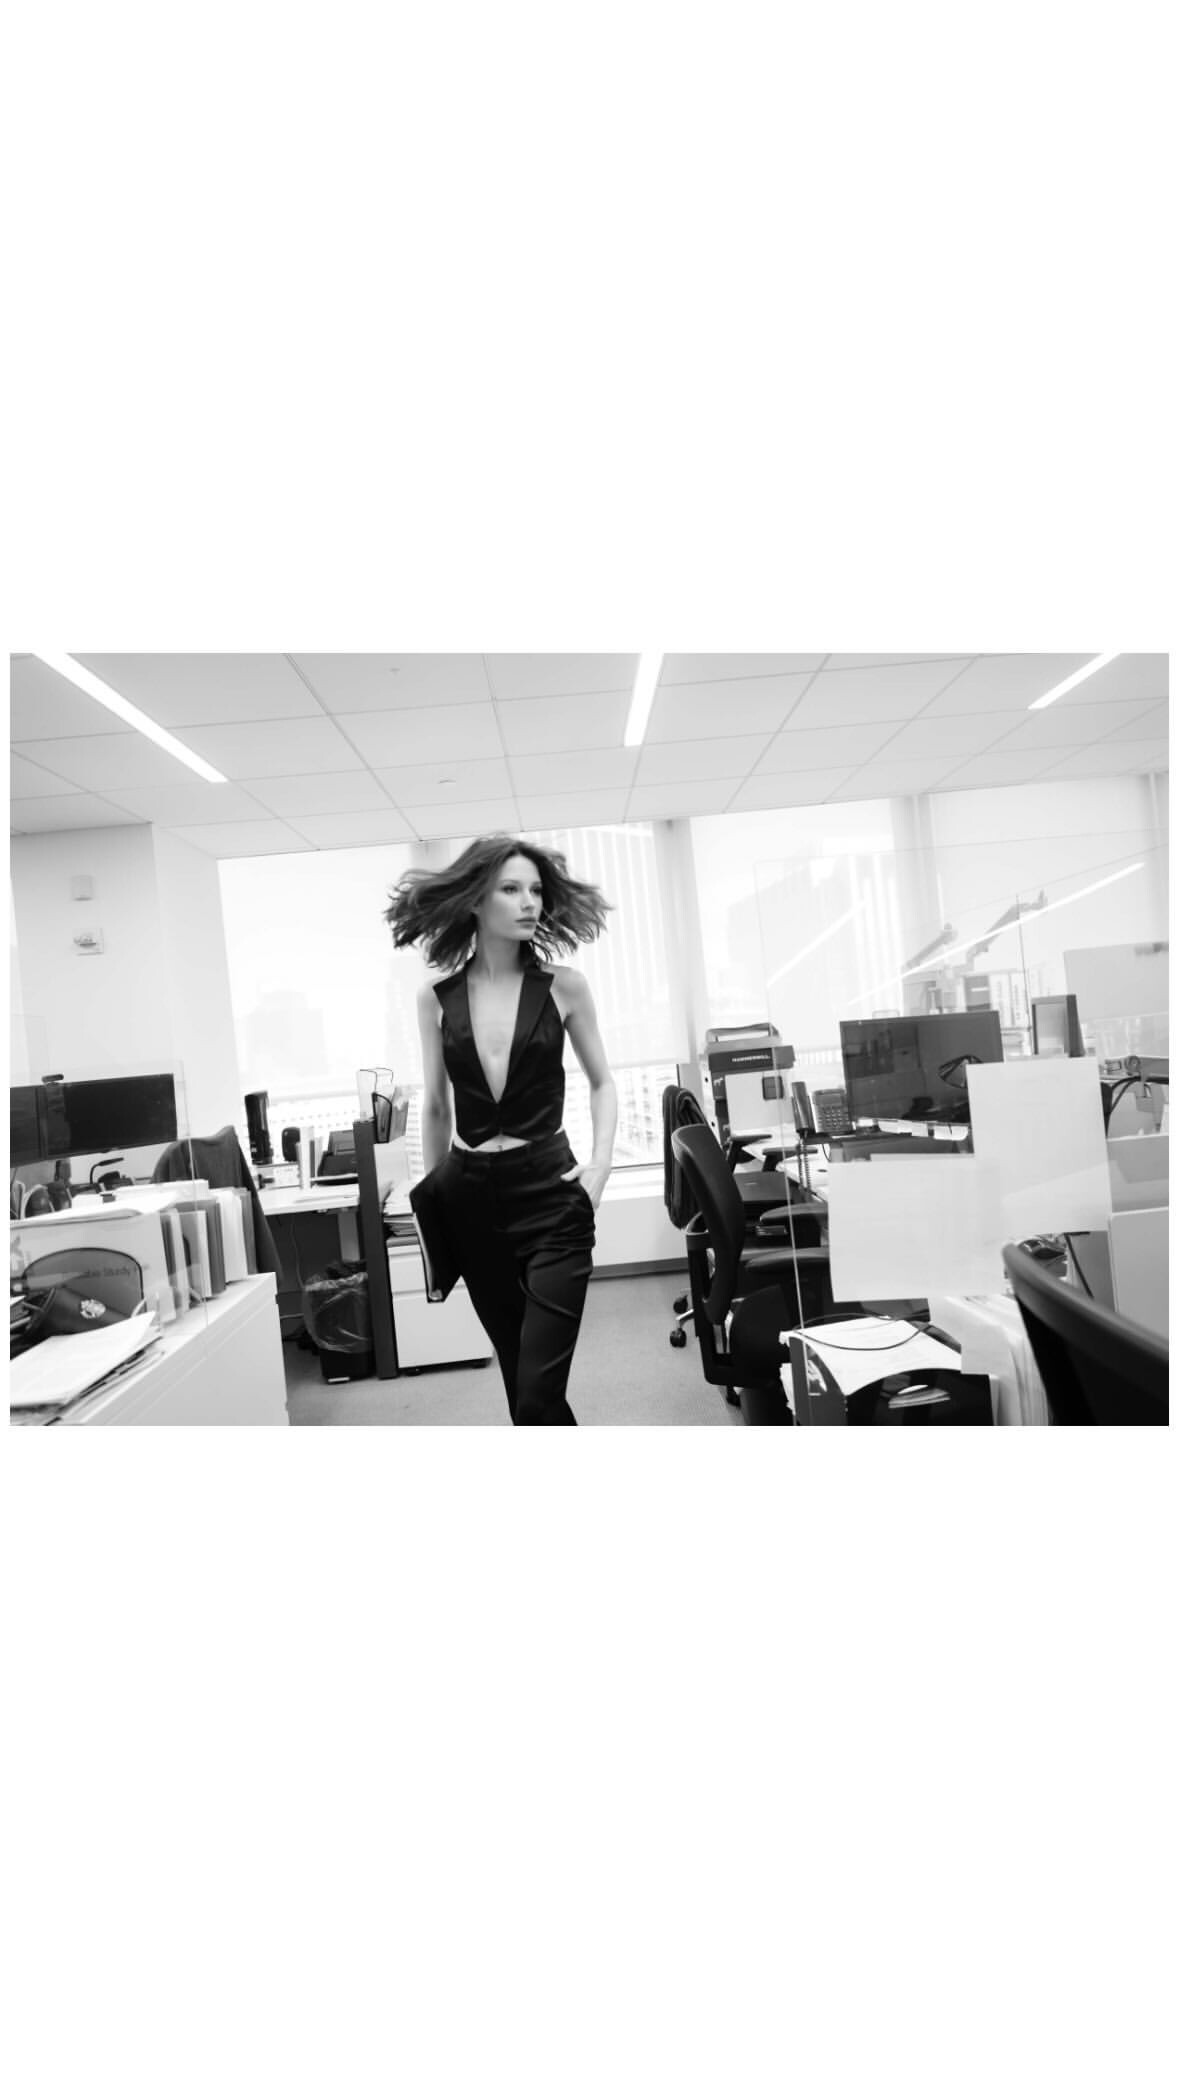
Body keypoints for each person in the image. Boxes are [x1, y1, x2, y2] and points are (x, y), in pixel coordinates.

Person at [385, 835, 618, 1426]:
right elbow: (436, 1107)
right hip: (471, 1201)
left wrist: (601, 1164)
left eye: (535, 890)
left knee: (539, 1389)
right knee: (520, 1386)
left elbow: (602, 1083)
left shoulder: (564, 986)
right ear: (474, 901)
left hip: (551, 1194)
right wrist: (435, 1198)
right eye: (511, 889)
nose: (529, 902)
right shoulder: (435, 998)